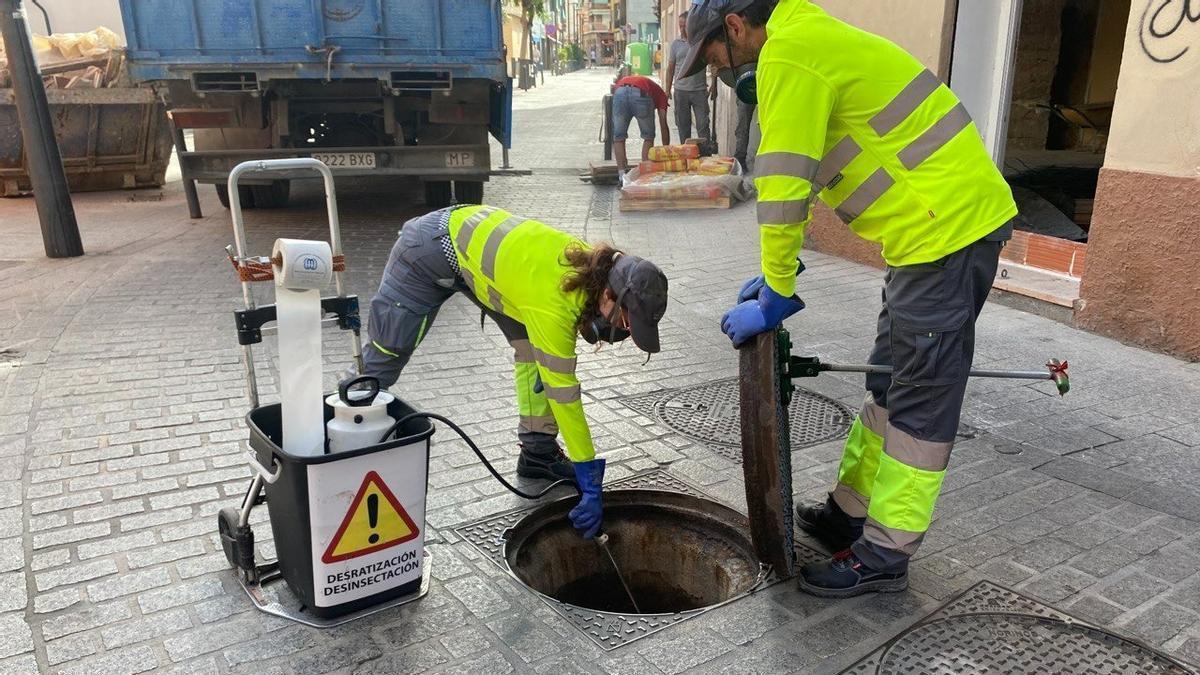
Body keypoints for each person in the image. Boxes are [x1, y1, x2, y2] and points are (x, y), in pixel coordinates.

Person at [678, 0, 1017, 597]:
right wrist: (778, 275)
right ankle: (849, 510)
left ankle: (884, 555)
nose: (717, 71)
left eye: (713, 57)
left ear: (735, 27)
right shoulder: (803, 36)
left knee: (920, 401)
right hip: (926, 236)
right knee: (891, 379)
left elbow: (783, 189)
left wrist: (779, 287)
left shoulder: (788, 56)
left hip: (948, 234)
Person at [358, 205, 669, 539]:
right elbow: (563, 391)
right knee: (385, 356)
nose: (618, 332)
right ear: (608, 294)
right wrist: (589, 475)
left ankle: (537, 452)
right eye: (622, 321)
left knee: (531, 351)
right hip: (427, 249)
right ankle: (346, 443)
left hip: (474, 255)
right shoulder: (553, 303)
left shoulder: (594, 269)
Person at [610, 74, 671, 172]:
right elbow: (663, 125)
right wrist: (667, 150)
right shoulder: (662, 96)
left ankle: (621, 175)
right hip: (641, 93)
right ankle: (646, 172)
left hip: (620, 91)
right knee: (648, 136)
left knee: (619, 137)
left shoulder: (653, 87)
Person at [666, 12, 711, 143]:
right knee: (683, 127)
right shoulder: (675, 44)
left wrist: (714, 84)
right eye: (680, 26)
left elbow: (712, 62)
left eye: (684, 25)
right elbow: (670, 69)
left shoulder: (701, 41)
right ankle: (685, 156)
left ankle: (705, 155)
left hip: (699, 91)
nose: (682, 29)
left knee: (703, 126)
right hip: (681, 92)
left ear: (691, 25)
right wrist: (667, 90)